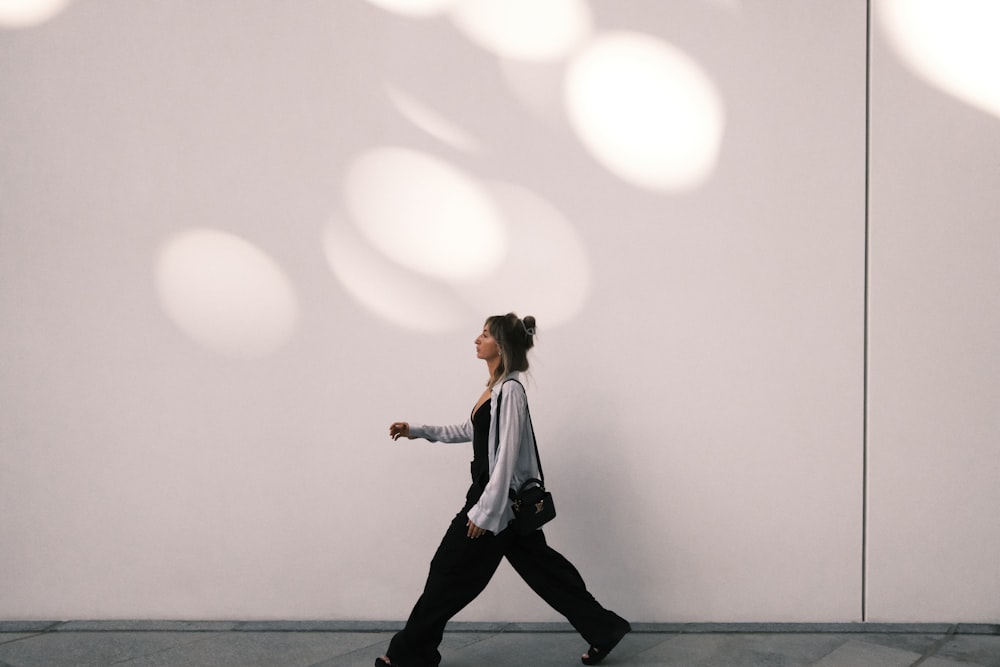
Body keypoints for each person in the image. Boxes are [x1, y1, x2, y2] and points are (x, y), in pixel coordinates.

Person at [376, 313, 630, 667]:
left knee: (447, 570)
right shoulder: (494, 389)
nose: (477, 340)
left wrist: (486, 511)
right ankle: (604, 629)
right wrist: (417, 429)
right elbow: (469, 430)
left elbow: (506, 456)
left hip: (495, 503)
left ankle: (408, 654)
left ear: (502, 345)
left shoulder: (510, 390)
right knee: (548, 574)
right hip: (500, 506)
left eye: (484, 335)